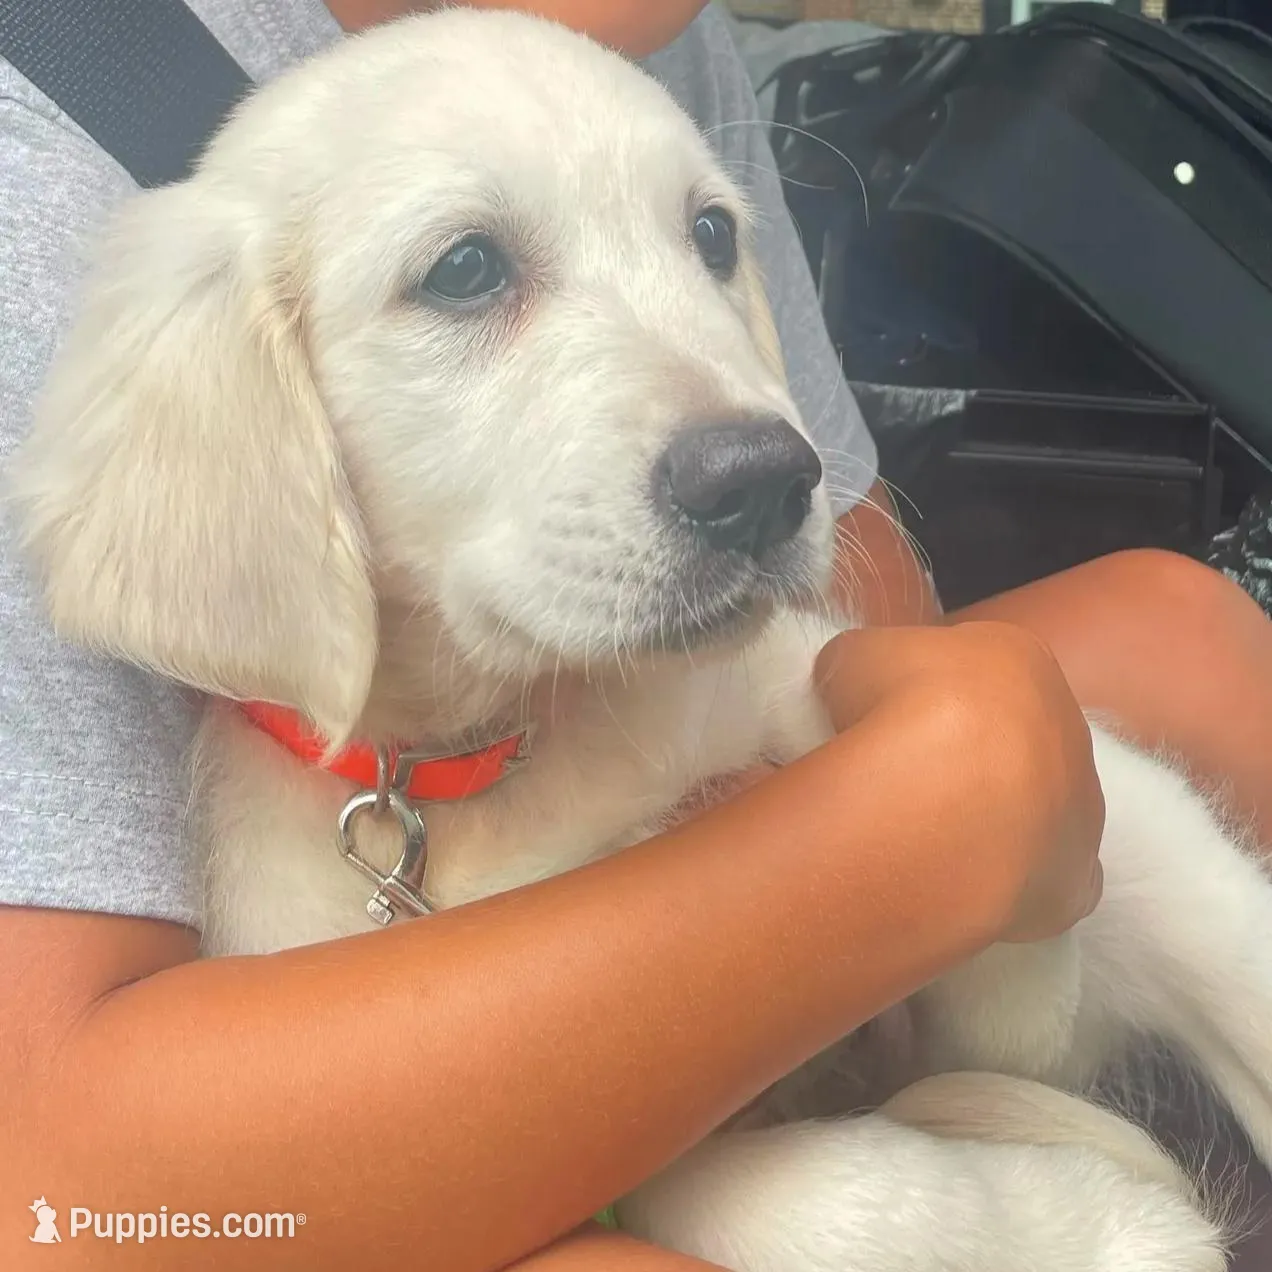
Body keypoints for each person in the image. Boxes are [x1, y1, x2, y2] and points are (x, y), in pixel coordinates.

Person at [0, 3, 1259, 1271]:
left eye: (707, 237)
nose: (752, 443)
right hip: (208, 1057)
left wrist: (924, 857)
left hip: (712, 778)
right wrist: (868, 883)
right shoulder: (59, 151)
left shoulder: (655, 38)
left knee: (1177, 623)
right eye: (467, 271)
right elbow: (72, 1198)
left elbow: (868, 605)